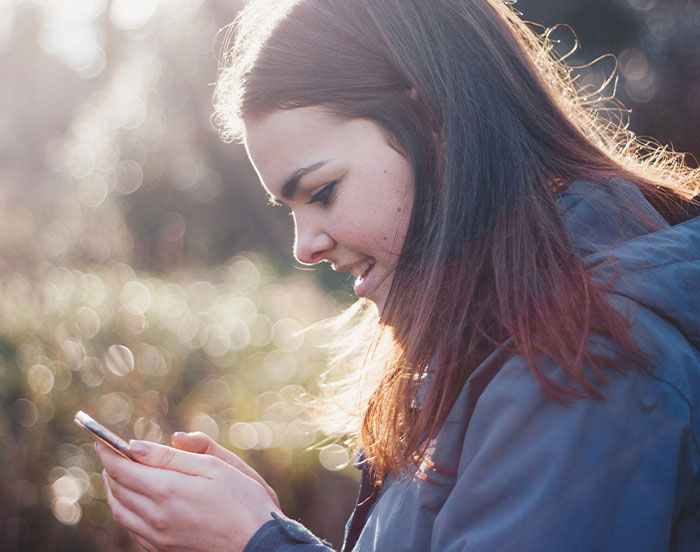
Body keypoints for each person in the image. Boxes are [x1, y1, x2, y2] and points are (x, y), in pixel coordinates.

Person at [95, 0, 700, 550]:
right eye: (291, 209)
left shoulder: (589, 356)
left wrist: (253, 543)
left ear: (433, 124)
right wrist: (260, 531)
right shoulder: (496, 336)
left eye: (323, 192)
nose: (305, 247)